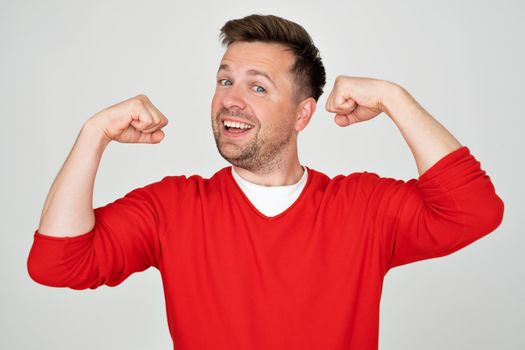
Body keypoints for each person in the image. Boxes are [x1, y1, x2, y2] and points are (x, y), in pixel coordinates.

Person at [27, 14, 504, 350]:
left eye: (258, 87)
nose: (231, 100)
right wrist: (93, 134)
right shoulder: (172, 207)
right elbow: (57, 264)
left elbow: (474, 211)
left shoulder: (363, 207)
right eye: (224, 81)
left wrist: (394, 98)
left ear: (303, 114)